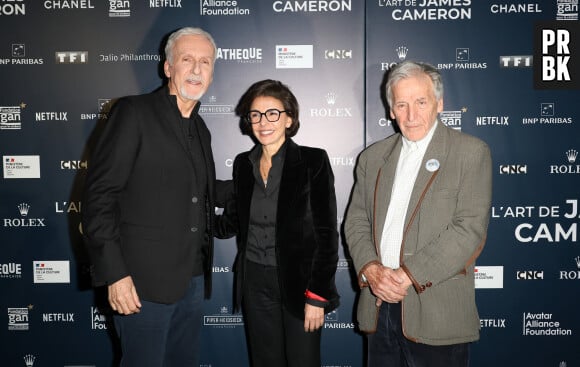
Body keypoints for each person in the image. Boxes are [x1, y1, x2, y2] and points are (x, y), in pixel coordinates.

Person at [82, 27, 220, 367]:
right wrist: (115, 274)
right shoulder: (134, 112)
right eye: (187, 60)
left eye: (206, 62)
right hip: (140, 285)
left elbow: (197, 193)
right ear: (167, 67)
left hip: (191, 281)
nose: (197, 69)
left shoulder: (201, 129)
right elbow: (99, 198)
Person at [344, 60, 492, 367]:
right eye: (402, 104)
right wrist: (371, 270)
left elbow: (469, 231)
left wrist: (404, 276)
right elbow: (356, 221)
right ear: (391, 110)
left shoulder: (470, 152)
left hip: (437, 313)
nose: (411, 115)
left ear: (439, 103)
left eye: (421, 102)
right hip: (378, 305)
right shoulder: (372, 159)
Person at [216, 79, 340, 367]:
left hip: (301, 284)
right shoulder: (243, 164)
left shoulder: (313, 161)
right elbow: (233, 222)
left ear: (289, 118)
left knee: (303, 361)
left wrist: (318, 295)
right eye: (255, 115)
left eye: (272, 113)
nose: (263, 122)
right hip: (255, 281)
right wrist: (190, 218)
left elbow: (326, 236)